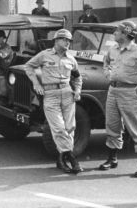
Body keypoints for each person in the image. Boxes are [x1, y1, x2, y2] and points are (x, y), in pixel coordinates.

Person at [97, 21, 137, 178]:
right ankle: (112, 159)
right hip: (113, 90)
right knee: (112, 125)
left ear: (126, 34)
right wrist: (108, 74)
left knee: (136, 128)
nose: (115, 34)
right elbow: (105, 63)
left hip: (131, 92)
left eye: (117, 31)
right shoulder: (113, 49)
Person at [24, 29, 83, 173]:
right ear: (56, 41)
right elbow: (28, 66)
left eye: (69, 41)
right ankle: (72, 158)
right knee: (58, 128)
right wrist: (36, 84)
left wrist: (78, 91)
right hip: (51, 94)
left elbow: (77, 77)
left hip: (67, 93)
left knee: (70, 127)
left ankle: (61, 159)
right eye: (64, 40)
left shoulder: (71, 58)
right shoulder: (45, 55)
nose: (67, 43)